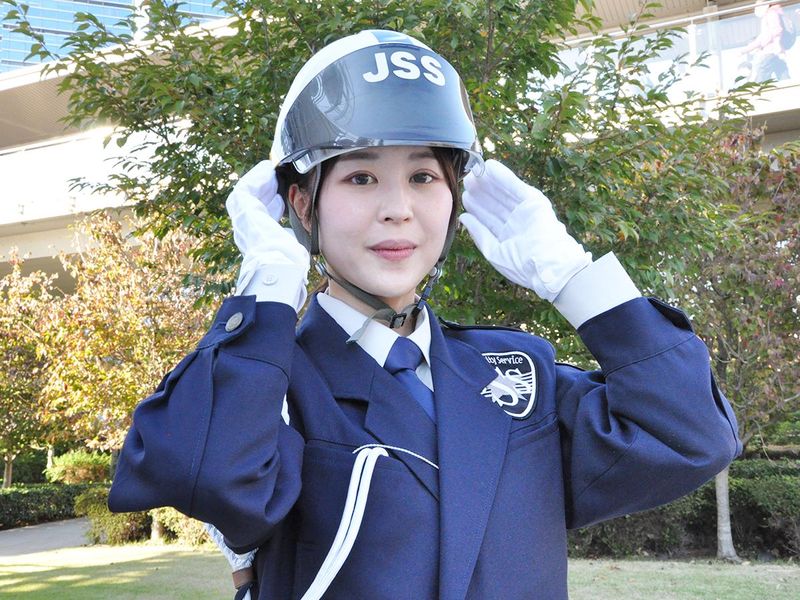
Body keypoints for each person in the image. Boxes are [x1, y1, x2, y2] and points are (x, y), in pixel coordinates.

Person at [108, 30, 741, 600]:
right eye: (360, 178)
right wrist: (267, 288)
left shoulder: (519, 372)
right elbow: (207, 477)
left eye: (423, 177)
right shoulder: (271, 381)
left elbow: (690, 436)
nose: (398, 209)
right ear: (301, 204)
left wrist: (574, 276)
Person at [741, 0, 790, 82]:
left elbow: (775, 31)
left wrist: (777, 44)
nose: (756, 9)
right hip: (777, 52)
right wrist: (745, 50)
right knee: (783, 75)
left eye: (757, 6)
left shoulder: (771, 13)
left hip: (770, 51)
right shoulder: (774, 13)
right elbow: (763, 38)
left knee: (761, 76)